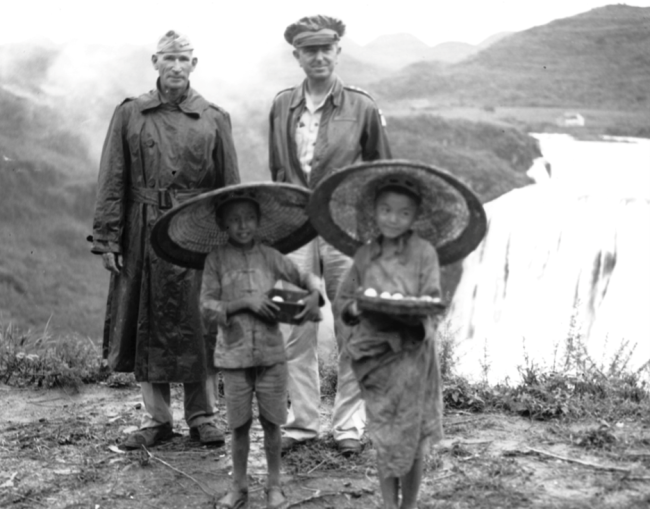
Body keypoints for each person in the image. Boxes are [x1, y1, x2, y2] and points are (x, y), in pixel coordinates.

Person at [91, 30, 240, 449]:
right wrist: (109, 238)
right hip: (142, 228)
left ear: (195, 65)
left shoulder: (214, 117)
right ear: (155, 62)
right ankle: (156, 419)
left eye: (184, 59)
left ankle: (202, 416)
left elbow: (230, 188)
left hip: (197, 232)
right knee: (147, 317)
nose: (176, 66)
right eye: (169, 58)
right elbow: (112, 177)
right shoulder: (131, 113)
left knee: (199, 322)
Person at [268, 14, 392, 455]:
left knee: (352, 323)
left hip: (347, 229)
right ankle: (301, 423)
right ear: (297, 56)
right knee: (294, 323)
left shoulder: (361, 106)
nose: (318, 57)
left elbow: (383, 174)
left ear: (338, 52)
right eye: (309, 50)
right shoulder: (282, 104)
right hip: (295, 228)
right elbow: (277, 172)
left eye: (326, 49)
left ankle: (348, 427)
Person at [196, 184, 323, 509]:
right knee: (239, 426)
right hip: (234, 356)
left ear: (258, 221)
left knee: (272, 422)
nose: (242, 225)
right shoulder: (216, 260)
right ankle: (238, 488)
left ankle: (274, 487)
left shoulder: (271, 257)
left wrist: (313, 295)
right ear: (224, 223)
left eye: (249, 218)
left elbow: (305, 277)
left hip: (271, 355)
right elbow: (207, 305)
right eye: (235, 219)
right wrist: (243, 302)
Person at [335, 175, 443, 509]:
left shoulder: (424, 253)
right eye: (386, 210)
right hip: (375, 358)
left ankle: (408, 505)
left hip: (413, 358)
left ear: (415, 216)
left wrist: (413, 312)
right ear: (374, 211)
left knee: (412, 440)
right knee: (383, 434)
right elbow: (345, 300)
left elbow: (433, 302)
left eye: (403, 212)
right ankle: (387, 504)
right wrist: (355, 307)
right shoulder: (366, 255)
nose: (393, 218)